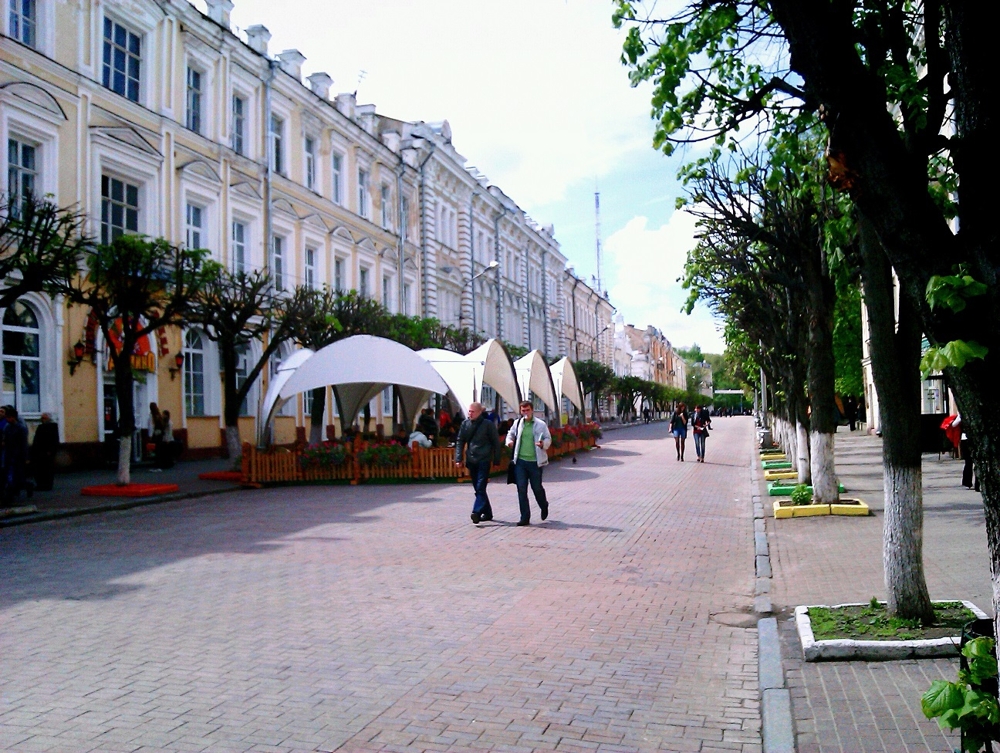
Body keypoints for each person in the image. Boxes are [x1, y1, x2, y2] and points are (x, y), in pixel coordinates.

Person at [505, 400, 552, 526]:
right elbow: (510, 434)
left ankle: (544, 505)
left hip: (535, 462)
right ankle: (525, 517)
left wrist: (543, 444)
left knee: (536, 487)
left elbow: (548, 438)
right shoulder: (518, 423)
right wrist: (509, 442)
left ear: (532, 410)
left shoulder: (540, 424)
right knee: (521, 489)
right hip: (520, 461)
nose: (525, 413)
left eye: (527, 410)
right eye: (523, 410)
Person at [455, 401, 501, 524]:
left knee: (480, 487)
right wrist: (458, 458)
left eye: (472, 411)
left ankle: (476, 511)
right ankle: (488, 512)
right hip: (471, 459)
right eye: (469, 411)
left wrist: (496, 460)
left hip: (484, 460)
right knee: (477, 488)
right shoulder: (465, 424)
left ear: (480, 412)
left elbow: (496, 443)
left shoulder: (488, 425)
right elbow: (460, 441)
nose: (470, 413)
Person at [2, 405, 29, 506]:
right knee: (10, 475)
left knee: (15, 475)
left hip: (17, 455)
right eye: (7, 417)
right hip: (9, 454)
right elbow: (5, 439)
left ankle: (13, 492)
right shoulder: (7, 427)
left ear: (14, 417)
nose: (7, 419)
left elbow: (24, 444)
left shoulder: (20, 428)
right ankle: (11, 493)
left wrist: (26, 457)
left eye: (9, 417)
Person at [30, 413, 60, 491]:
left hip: (46, 452)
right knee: (41, 469)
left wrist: (51, 451)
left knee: (47, 469)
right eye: (42, 418)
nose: (42, 419)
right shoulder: (45, 426)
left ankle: (46, 485)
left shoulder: (51, 427)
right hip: (41, 451)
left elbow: (54, 440)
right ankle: (42, 484)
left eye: (44, 418)